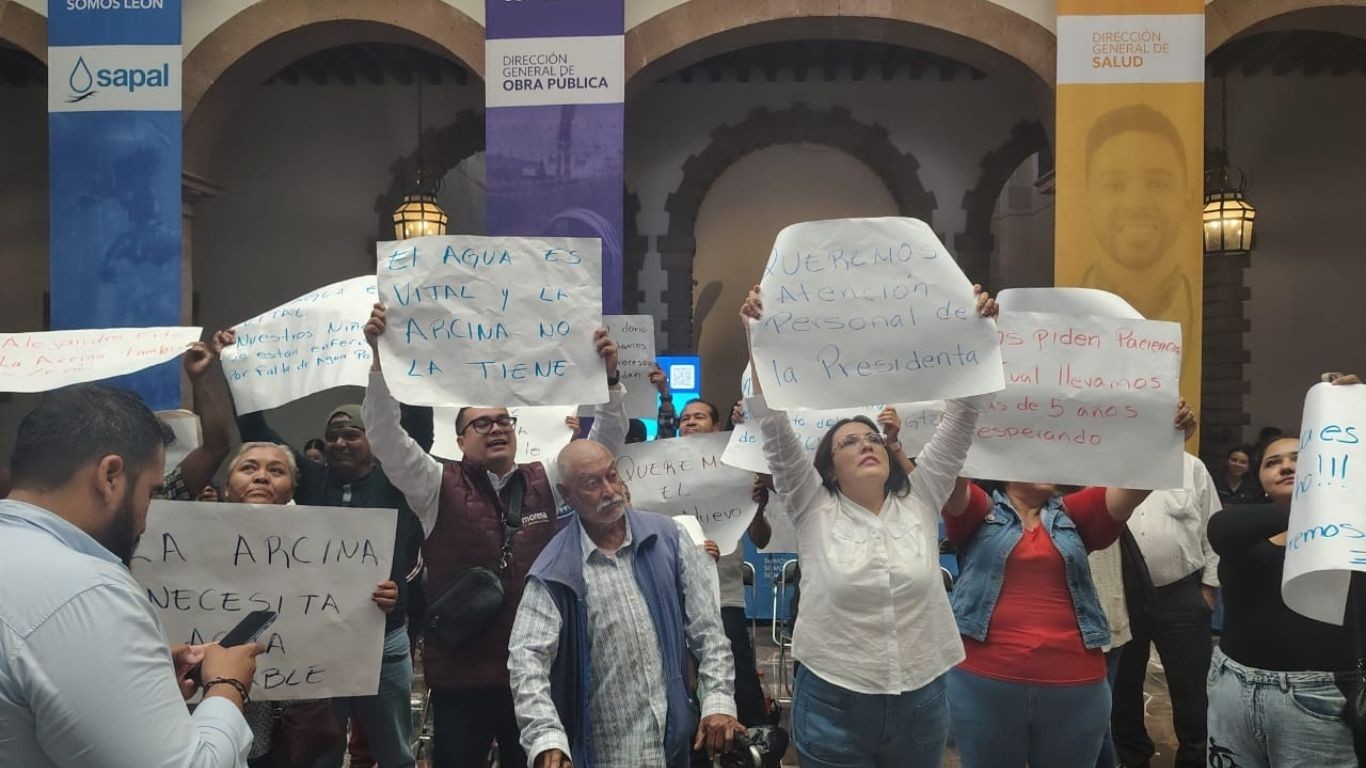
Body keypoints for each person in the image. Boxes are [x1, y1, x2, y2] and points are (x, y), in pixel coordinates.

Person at [360, 303, 629, 768]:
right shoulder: (433, 484)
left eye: (504, 420)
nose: (496, 428)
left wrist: (609, 380)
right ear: (459, 440)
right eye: (481, 423)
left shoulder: (548, 478)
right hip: (461, 675)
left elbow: (603, 445)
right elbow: (385, 436)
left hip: (536, 672)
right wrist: (380, 364)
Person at [739, 283, 997, 767]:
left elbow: (963, 416)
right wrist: (757, 335)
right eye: (849, 442)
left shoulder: (922, 496)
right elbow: (772, 422)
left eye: (873, 438)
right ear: (829, 467)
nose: (866, 444)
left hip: (921, 698)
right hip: (834, 697)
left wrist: (979, 331)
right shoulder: (811, 504)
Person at [0, 384, 263, 767]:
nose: (144, 519)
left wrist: (135, 683)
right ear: (110, 476)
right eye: (151, 493)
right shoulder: (87, 591)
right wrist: (227, 687)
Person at [942, 393, 1189, 768]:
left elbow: (1137, 483)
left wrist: (1168, 434)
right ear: (1002, 466)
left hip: (1075, 685)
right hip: (983, 682)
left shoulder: (1075, 513)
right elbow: (948, 471)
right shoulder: (979, 509)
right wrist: (958, 413)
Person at [228, 325, 422, 768]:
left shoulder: (396, 482)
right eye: (332, 436)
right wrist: (233, 365)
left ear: (373, 441)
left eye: (351, 434)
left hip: (384, 641)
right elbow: (256, 428)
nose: (339, 443)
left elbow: (418, 426)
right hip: (321, 643)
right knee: (321, 750)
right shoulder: (313, 481)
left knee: (396, 753)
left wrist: (393, 353)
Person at [509, 440, 744, 768]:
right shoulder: (555, 570)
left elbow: (708, 630)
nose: (609, 491)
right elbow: (526, 660)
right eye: (592, 483)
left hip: (674, 747)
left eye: (612, 476)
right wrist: (546, 736)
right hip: (606, 753)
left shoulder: (668, 538)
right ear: (567, 495)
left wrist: (718, 701)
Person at [1207, 379, 1362, 767]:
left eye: (1299, 457)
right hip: (1233, 685)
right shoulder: (1239, 524)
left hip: (1318, 696)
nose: (1286, 466)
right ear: (1259, 477)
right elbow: (1219, 531)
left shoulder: (1353, 528)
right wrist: (1324, 499)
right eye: (1272, 462)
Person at [1112, 442, 1221, 768]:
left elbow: (1213, 526)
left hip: (1182, 594)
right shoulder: (1106, 465)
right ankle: (1133, 758)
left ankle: (1194, 758)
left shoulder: (1191, 466)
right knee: (1124, 686)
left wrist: (1209, 586)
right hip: (1122, 596)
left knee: (1193, 689)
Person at [1079, 104, 1198, 400]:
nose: (1136, 203)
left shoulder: (1208, 313)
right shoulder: (1053, 317)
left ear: (1187, 199)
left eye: (1157, 184)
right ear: (1088, 201)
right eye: (1114, 185)